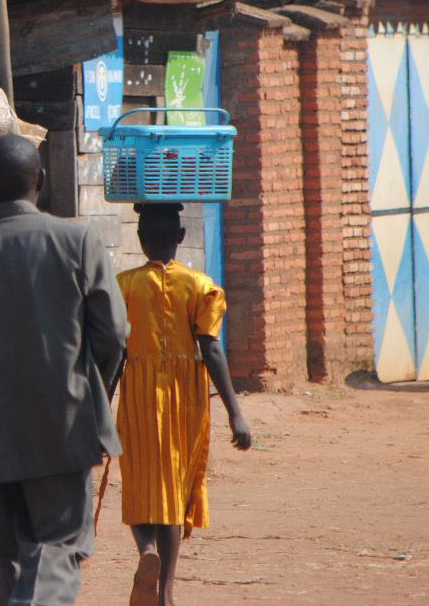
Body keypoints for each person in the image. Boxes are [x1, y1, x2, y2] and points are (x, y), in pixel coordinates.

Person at [0, 134, 128, 606]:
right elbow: (113, 333)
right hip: (64, 422)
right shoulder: (77, 241)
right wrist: (79, 383)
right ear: (42, 180)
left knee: (8, 560)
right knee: (59, 548)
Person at [118, 204, 252, 606]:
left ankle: (146, 552)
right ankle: (168, 589)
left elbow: (109, 353)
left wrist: (98, 404)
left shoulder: (123, 285)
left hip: (138, 391)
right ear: (180, 237)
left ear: (140, 239)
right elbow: (211, 349)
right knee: (174, 489)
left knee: (141, 483)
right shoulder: (199, 286)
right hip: (184, 396)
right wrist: (235, 412)